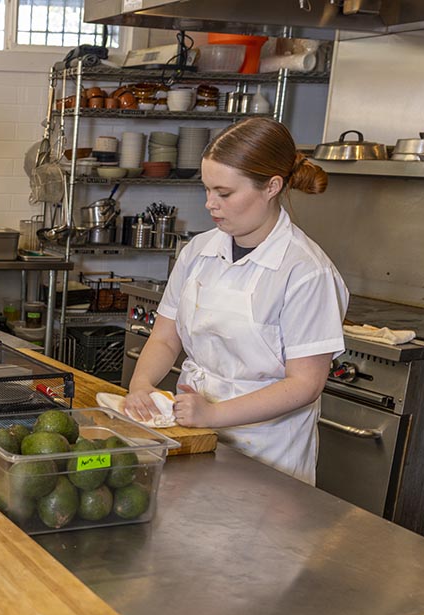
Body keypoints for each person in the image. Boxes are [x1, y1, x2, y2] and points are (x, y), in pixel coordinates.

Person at [124, 117, 347, 484]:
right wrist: (141, 386)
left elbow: (305, 384)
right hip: (195, 436)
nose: (210, 204)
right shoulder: (198, 251)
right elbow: (165, 337)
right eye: (207, 189)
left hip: (267, 454)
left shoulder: (306, 271)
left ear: (272, 186)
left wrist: (212, 414)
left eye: (224, 193)